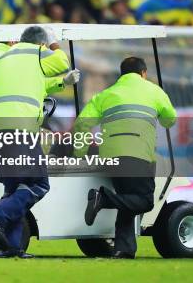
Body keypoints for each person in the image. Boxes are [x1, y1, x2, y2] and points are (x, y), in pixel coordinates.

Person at [0, 26, 79, 258]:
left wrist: (63, 83)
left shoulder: (3, 58)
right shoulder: (35, 53)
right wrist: (54, 42)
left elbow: (38, 86)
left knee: (14, 187)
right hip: (19, 126)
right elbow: (62, 60)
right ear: (41, 45)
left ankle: (11, 248)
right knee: (38, 184)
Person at [74, 57, 177, 259]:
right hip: (139, 154)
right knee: (145, 201)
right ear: (143, 73)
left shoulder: (106, 94)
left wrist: (79, 153)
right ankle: (102, 198)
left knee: (127, 198)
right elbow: (170, 119)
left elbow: (82, 124)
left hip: (110, 157)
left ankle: (124, 249)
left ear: (122, 74)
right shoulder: (154, 90)